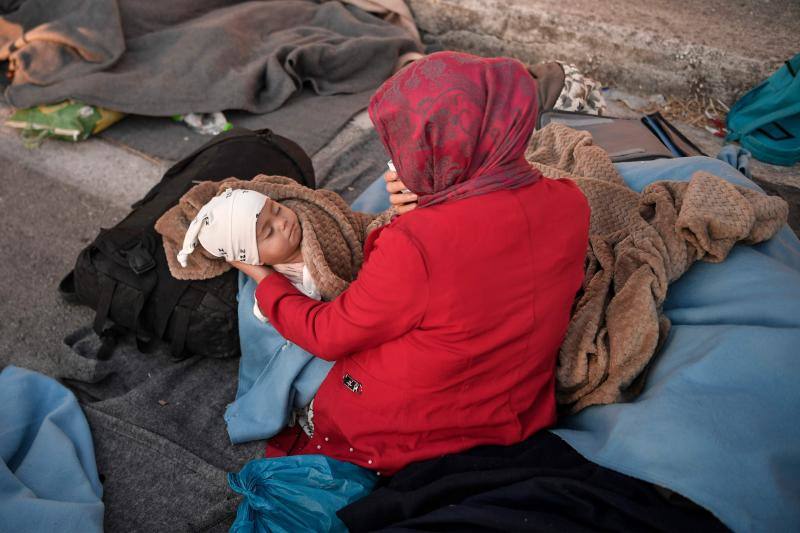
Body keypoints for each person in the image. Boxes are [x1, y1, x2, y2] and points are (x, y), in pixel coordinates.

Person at [233, 51, 590, 476]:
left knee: (274, 328)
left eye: (409, 146)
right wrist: (428, 208)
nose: (403, 159)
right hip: (520, 410)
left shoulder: (415, 245)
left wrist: (260, 279)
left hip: (406, 430)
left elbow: (327, 335)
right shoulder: (571, 201)